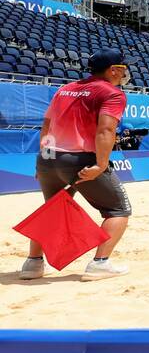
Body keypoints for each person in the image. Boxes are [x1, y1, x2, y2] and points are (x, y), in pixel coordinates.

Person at [19, 48, 133, 281]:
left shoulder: (65, 89)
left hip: (49, 158)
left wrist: (43, 162)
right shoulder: (112, 93)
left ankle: (33, 264)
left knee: (52, 210)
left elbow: (47, 127)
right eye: (123, 67)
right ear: (114, 70)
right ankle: (100, 263)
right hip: (80, 159)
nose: (126, 71)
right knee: (117, 210)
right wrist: (101, 165)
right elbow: (106, 129)